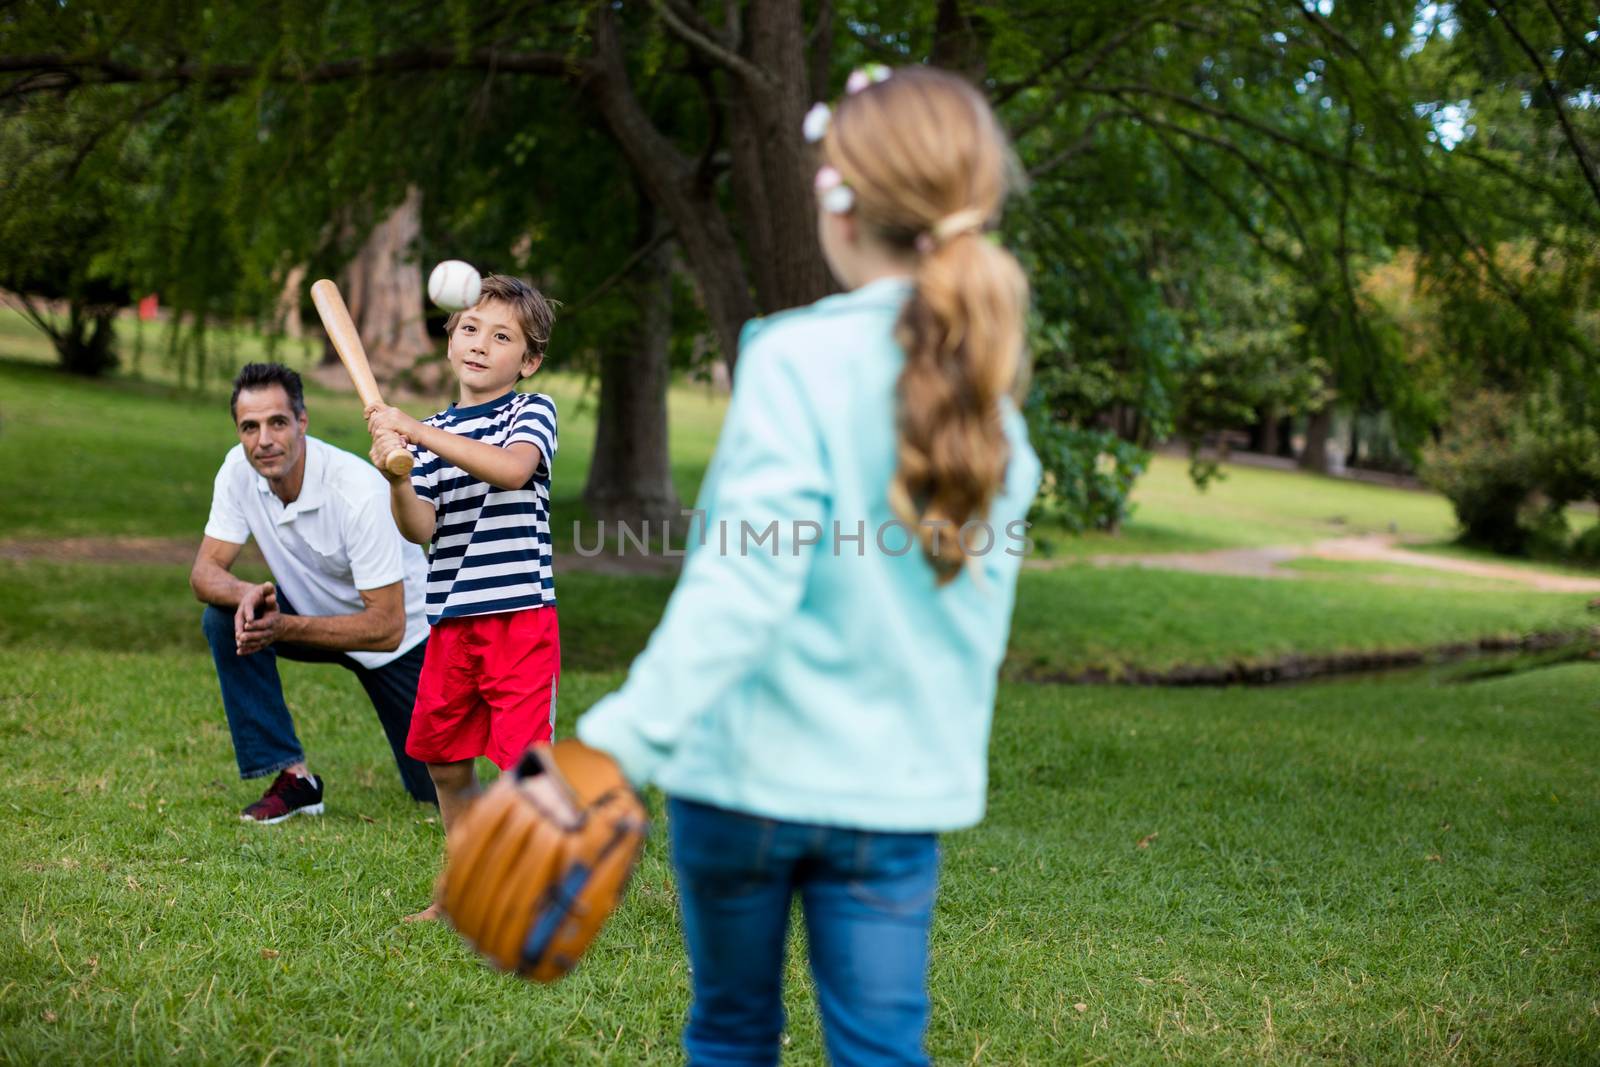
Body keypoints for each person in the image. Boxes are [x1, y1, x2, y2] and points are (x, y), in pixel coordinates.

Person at [572, 66, 1041, 1066]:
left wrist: (613, 743)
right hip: (894, 798)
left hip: (741, 784)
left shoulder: (790, 357)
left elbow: (745, 584)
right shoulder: (995, 412)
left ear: (836, 202)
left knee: (733, 1032)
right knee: (880, 1048)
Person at [364, 274, 561, 922]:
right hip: (451, 621)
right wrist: (396, 472)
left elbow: (511, 469)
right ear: (451, 338)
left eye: (502, 336)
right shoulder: (437, 430)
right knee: (443, 761)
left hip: (519, 620)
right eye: (470, 328)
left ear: (527, 360)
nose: (481, 343)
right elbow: (421, 527)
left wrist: (416, 433)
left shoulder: (530, 412)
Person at [191, 362, 437, 823]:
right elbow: (204, 573)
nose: (263, 439)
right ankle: (294, 778)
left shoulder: (359, 491)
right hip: (310, 613)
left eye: (277, 422)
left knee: (433, 793)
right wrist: (247, 594)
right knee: (226, 617)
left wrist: (281, 625)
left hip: (402, 640)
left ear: (302, 422)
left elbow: (386, 627)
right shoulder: (238, 472)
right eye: (249, 426)